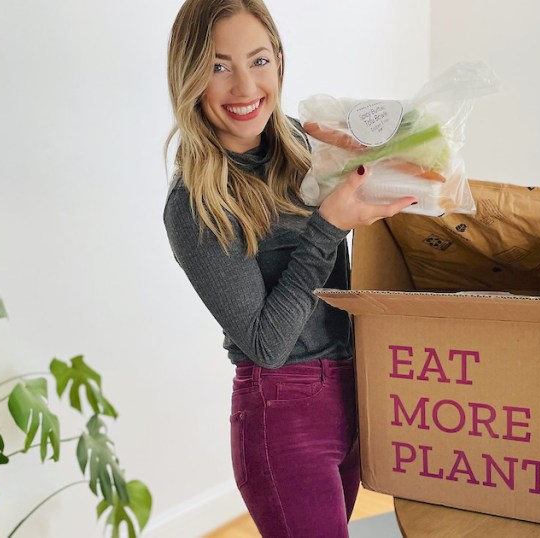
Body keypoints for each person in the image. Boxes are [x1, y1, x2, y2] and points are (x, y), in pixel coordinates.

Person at [163, 1, 417, 536]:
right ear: (189, 78)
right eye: (217, 66)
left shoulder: (306, 145)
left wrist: (401, 164)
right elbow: (267, 344)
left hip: (352, 388)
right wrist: (328, 226)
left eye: (257, 60)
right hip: (284, 413)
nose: (244, 87)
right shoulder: (197, 202)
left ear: (279, 60)